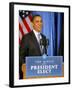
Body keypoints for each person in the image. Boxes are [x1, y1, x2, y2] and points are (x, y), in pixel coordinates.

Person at [19, 15, 47, 79]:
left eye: (41, 21)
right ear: (32, 24)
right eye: (37, 21)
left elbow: (43, 54)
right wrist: (26, 67)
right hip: (30, 73)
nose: (40, 23)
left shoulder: (44, 37)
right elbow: (21, 56)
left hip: (42, 72)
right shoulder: (26, 37)